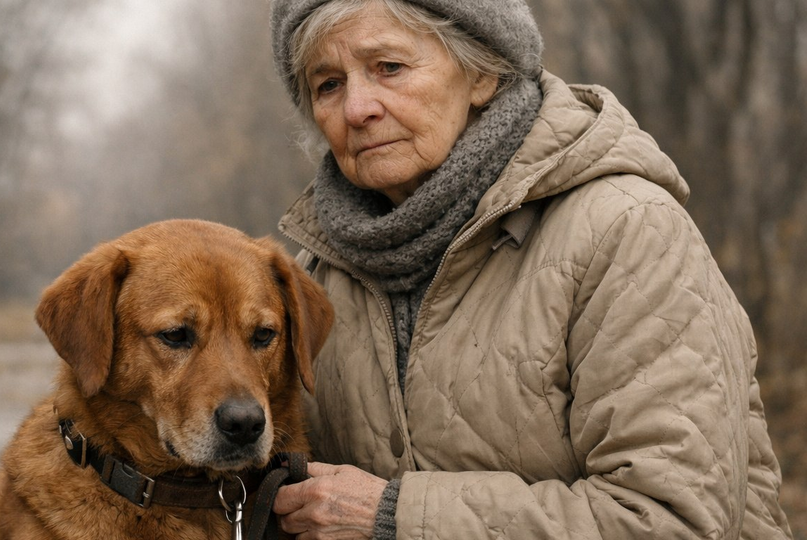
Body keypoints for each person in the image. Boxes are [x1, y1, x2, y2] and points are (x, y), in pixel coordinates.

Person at [267, 0, 793, 538]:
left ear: (483, 71)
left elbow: (672, 520)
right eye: (327, 85)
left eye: (389, 68)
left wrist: (392, 516)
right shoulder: (315, 280)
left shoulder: (626, 231)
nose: (357, 108)